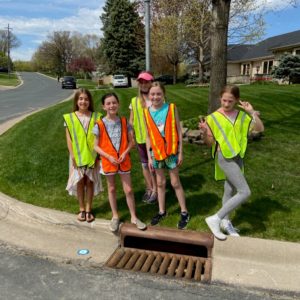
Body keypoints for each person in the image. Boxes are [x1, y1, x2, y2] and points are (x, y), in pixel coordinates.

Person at [199, 85, 264, 240]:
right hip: (224, 158)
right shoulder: (212, 118)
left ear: (236, 100)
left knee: (229, 191)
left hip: (238, 157)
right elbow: (209, 143)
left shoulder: (241, 116)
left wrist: (251, 112)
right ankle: (216, 218)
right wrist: (205, 133)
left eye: (230, 101)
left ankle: (225, 222)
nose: (226, 104)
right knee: (245, 191)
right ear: (220, 98)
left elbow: (260, 128)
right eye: (224, 100)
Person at [94, 93, 147, 232]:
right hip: (108, 161)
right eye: (108, 103)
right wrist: (108, 156)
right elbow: (95, 146)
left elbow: (132, 142)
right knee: (111, 188)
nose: (112, 105)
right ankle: (115, 216)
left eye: (114, 103)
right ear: (103, 106)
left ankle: (134, 217)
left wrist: (125, 153)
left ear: (118, 104)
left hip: (123, 160)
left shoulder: (125, 122)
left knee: (128, 190)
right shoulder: (99, 125)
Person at [144, 82, 190, 230]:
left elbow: (178, 130)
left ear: (163, 94)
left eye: (158, 94)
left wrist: (181, 151)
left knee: (175, 183)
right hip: (156, 153)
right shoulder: (146, 112)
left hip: (171, 152)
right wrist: (149, 156)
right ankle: (162, 211)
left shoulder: (171, 108)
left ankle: (184, 211)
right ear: (148, 95)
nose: (155, 97)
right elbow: (148, 136)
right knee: (160, 183)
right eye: (153, 94)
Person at [63, 88, 102, 222]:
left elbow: (100, 138)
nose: (83, 101)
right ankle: (81, 209)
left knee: (90, 181)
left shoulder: (97, 117)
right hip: (76, 156)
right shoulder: (70, 118)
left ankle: (89, 209)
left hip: (92, 155)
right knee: (79, 181)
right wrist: (72, 155)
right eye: (80, 99)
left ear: (89, 101)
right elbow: (68, 138)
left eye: (86, 99)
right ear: (76, 101)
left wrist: (99, 157)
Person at [129, 71, 158, 204]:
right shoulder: (134, 101)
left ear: (151, 82)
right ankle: (149, 187)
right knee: (145, 165)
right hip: (141, 139)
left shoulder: (155, 99)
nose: (144, 84)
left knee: (154, 166)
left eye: (146, 81)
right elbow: (131, 120)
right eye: (141, 82)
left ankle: (156, 190)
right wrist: (131, 137)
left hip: (154, 140)